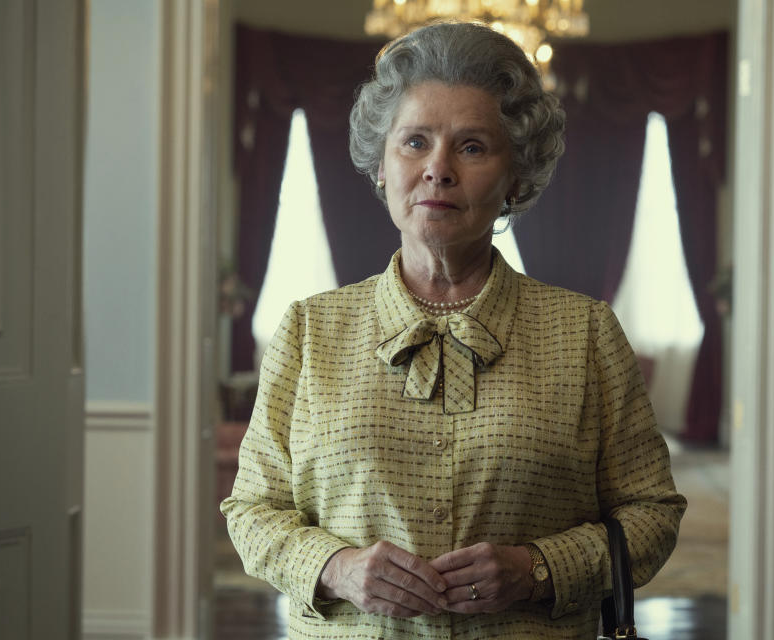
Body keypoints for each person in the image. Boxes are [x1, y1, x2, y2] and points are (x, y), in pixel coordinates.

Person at [220, 21, 686, 640]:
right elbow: (251, 511)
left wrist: (538, 570)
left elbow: (652, 515)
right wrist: (337, 568)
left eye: (472, 147)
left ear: (515, 177)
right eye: (414, 142)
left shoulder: (586, 332)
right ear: (382, 166)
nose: (438, 169)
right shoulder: (310, 329)